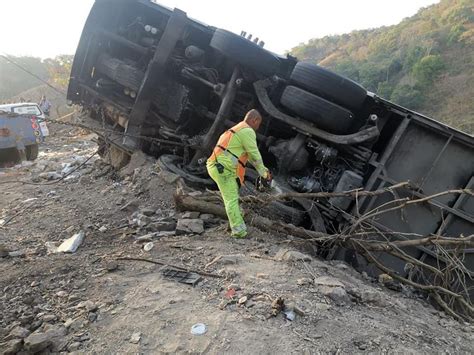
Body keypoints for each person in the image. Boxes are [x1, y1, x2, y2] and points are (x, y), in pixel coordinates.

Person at [207, 109, 272, 238]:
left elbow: (248, 157)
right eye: (259, 124)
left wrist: (263, 172)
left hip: (219, 167)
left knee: (231, 198)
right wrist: (264, 173)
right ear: (255, 120)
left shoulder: (237, 129)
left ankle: (236, 222)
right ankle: (239, 232)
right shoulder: (247, 131)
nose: (258, 127)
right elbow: (255, 155)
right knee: (231, 200)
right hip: (223, 169)